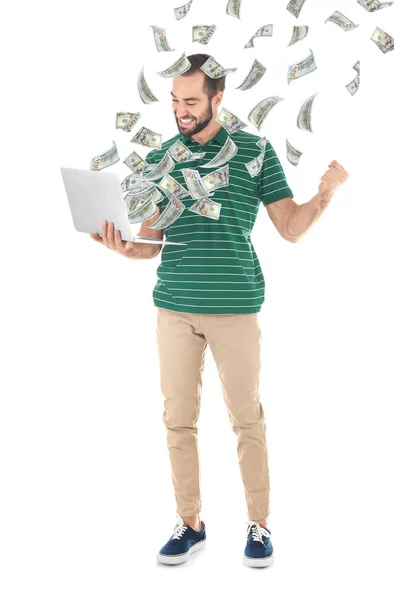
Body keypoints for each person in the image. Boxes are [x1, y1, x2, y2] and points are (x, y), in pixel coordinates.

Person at [90, 53, 349, 568]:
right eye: (174, 101)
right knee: (177, 419)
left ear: (218, 98)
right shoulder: (162, 156)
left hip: (235, 308)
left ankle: (259, 524)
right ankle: (189, 524)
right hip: (175, 309)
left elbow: (290, 229)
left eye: (190, 100)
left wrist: (324, 195)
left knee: (246, 418)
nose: (181, 111)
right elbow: (151, 245)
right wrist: (123, 249)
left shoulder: (255, 151)